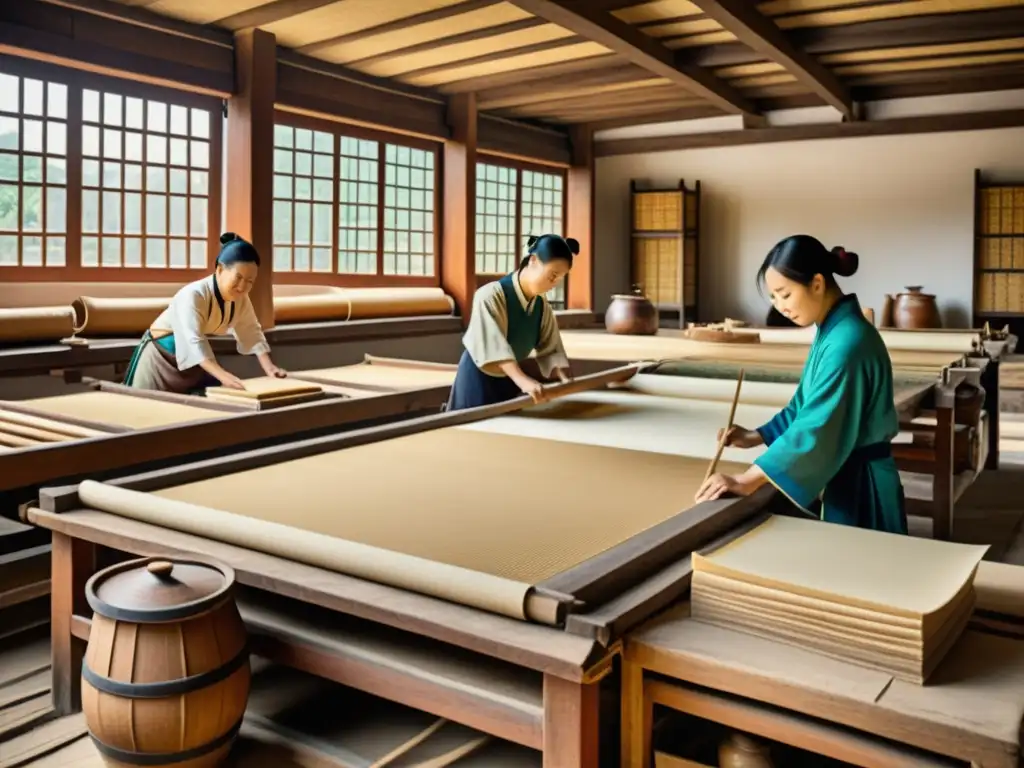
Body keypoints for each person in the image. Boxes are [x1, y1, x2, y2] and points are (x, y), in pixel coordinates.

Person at [694, 234, 907, 535]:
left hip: (863, 482)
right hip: (848, 473)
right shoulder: (833, 331)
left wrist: (747, 479)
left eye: (785, 293)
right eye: (773, 298)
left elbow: (816, 426)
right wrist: (756, 436)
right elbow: (803, 405)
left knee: (866, 571)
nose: (780, 306)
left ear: (817, 284)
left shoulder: (847, 342)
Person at [123, 232, 287, 394]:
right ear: (220, 270)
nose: (242, 286)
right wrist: (223, 376)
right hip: (160, 357)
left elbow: (251, 331)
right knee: (148, 407)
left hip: (193, 362)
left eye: (249, 281)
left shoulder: (240, 299)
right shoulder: (193, 294)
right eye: (238, 278)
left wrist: (269, 368)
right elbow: (193, 341)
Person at [446, 234, 576, 411]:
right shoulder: (490, 295)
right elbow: (495, 348)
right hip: (478, 378)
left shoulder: (542, 306)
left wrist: (566, 380)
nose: (555, 283)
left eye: (560, 278)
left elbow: (551, 351)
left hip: (510, 379)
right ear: (533, 261)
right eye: (552, 275)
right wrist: (523, 381)